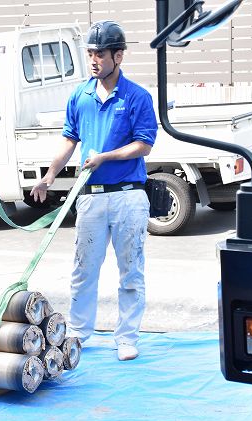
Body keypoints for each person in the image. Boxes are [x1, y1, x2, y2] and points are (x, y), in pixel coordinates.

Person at [30, 21, 157, 361]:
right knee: (84, 267)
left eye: (100, 54)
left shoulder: (137, 97)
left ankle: (127, 337)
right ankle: (79, 332)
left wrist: (104, 157)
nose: (94, 60)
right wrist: (49, 175)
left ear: (119, 55)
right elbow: (69, 141)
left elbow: (143, 146)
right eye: (90, 54)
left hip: (129, 195)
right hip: (91, 195)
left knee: (131, 269)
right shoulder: (80, 96)